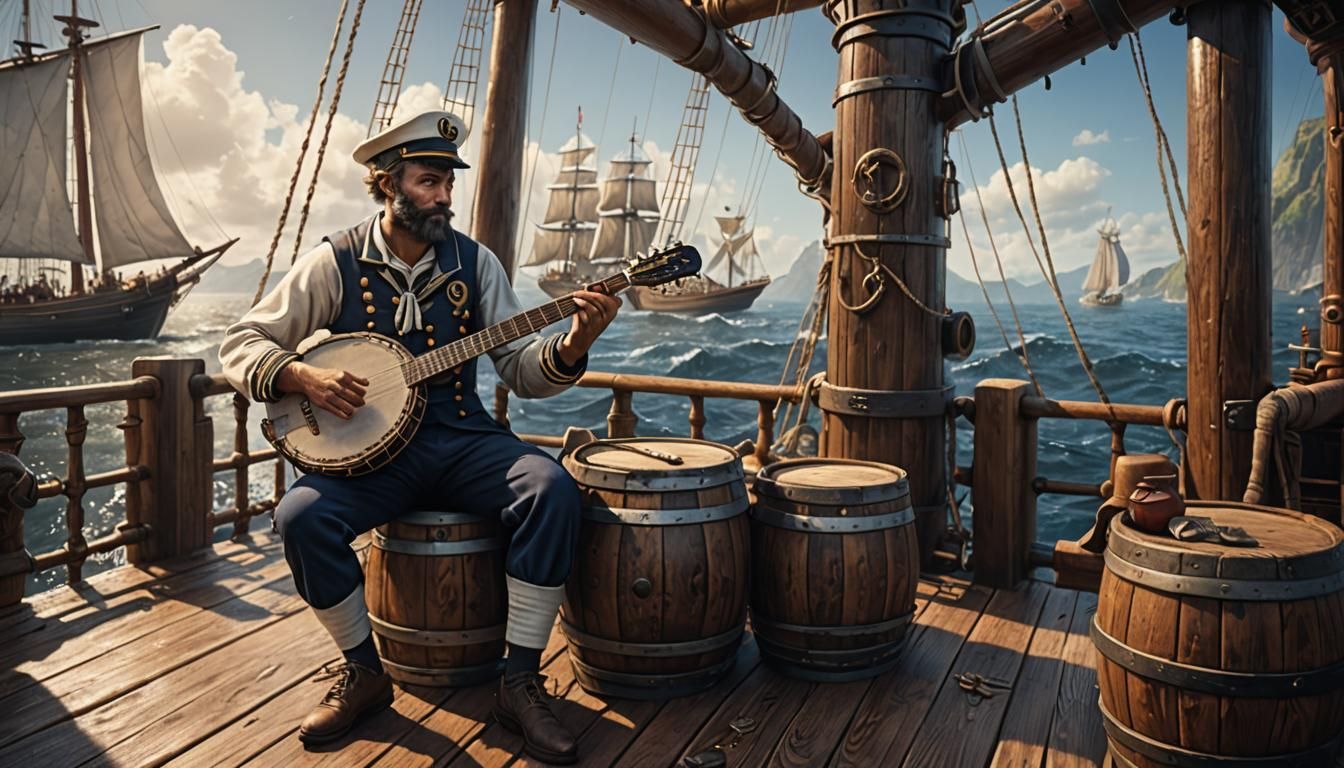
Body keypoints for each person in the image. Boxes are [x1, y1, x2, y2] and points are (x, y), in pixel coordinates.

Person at [218, 110, 620, 763]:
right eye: (429, 182)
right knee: (299, 517)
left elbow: (519, 371)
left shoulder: (475, 263)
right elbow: (239, 344)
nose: (443, 197)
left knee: (551, 488)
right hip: (371, 457)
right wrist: (301, 376)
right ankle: (364, 672)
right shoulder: (335, 262)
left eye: (447, 185)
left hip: (463, 439)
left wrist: (576, 340)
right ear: (387, 183)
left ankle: (519, 681)